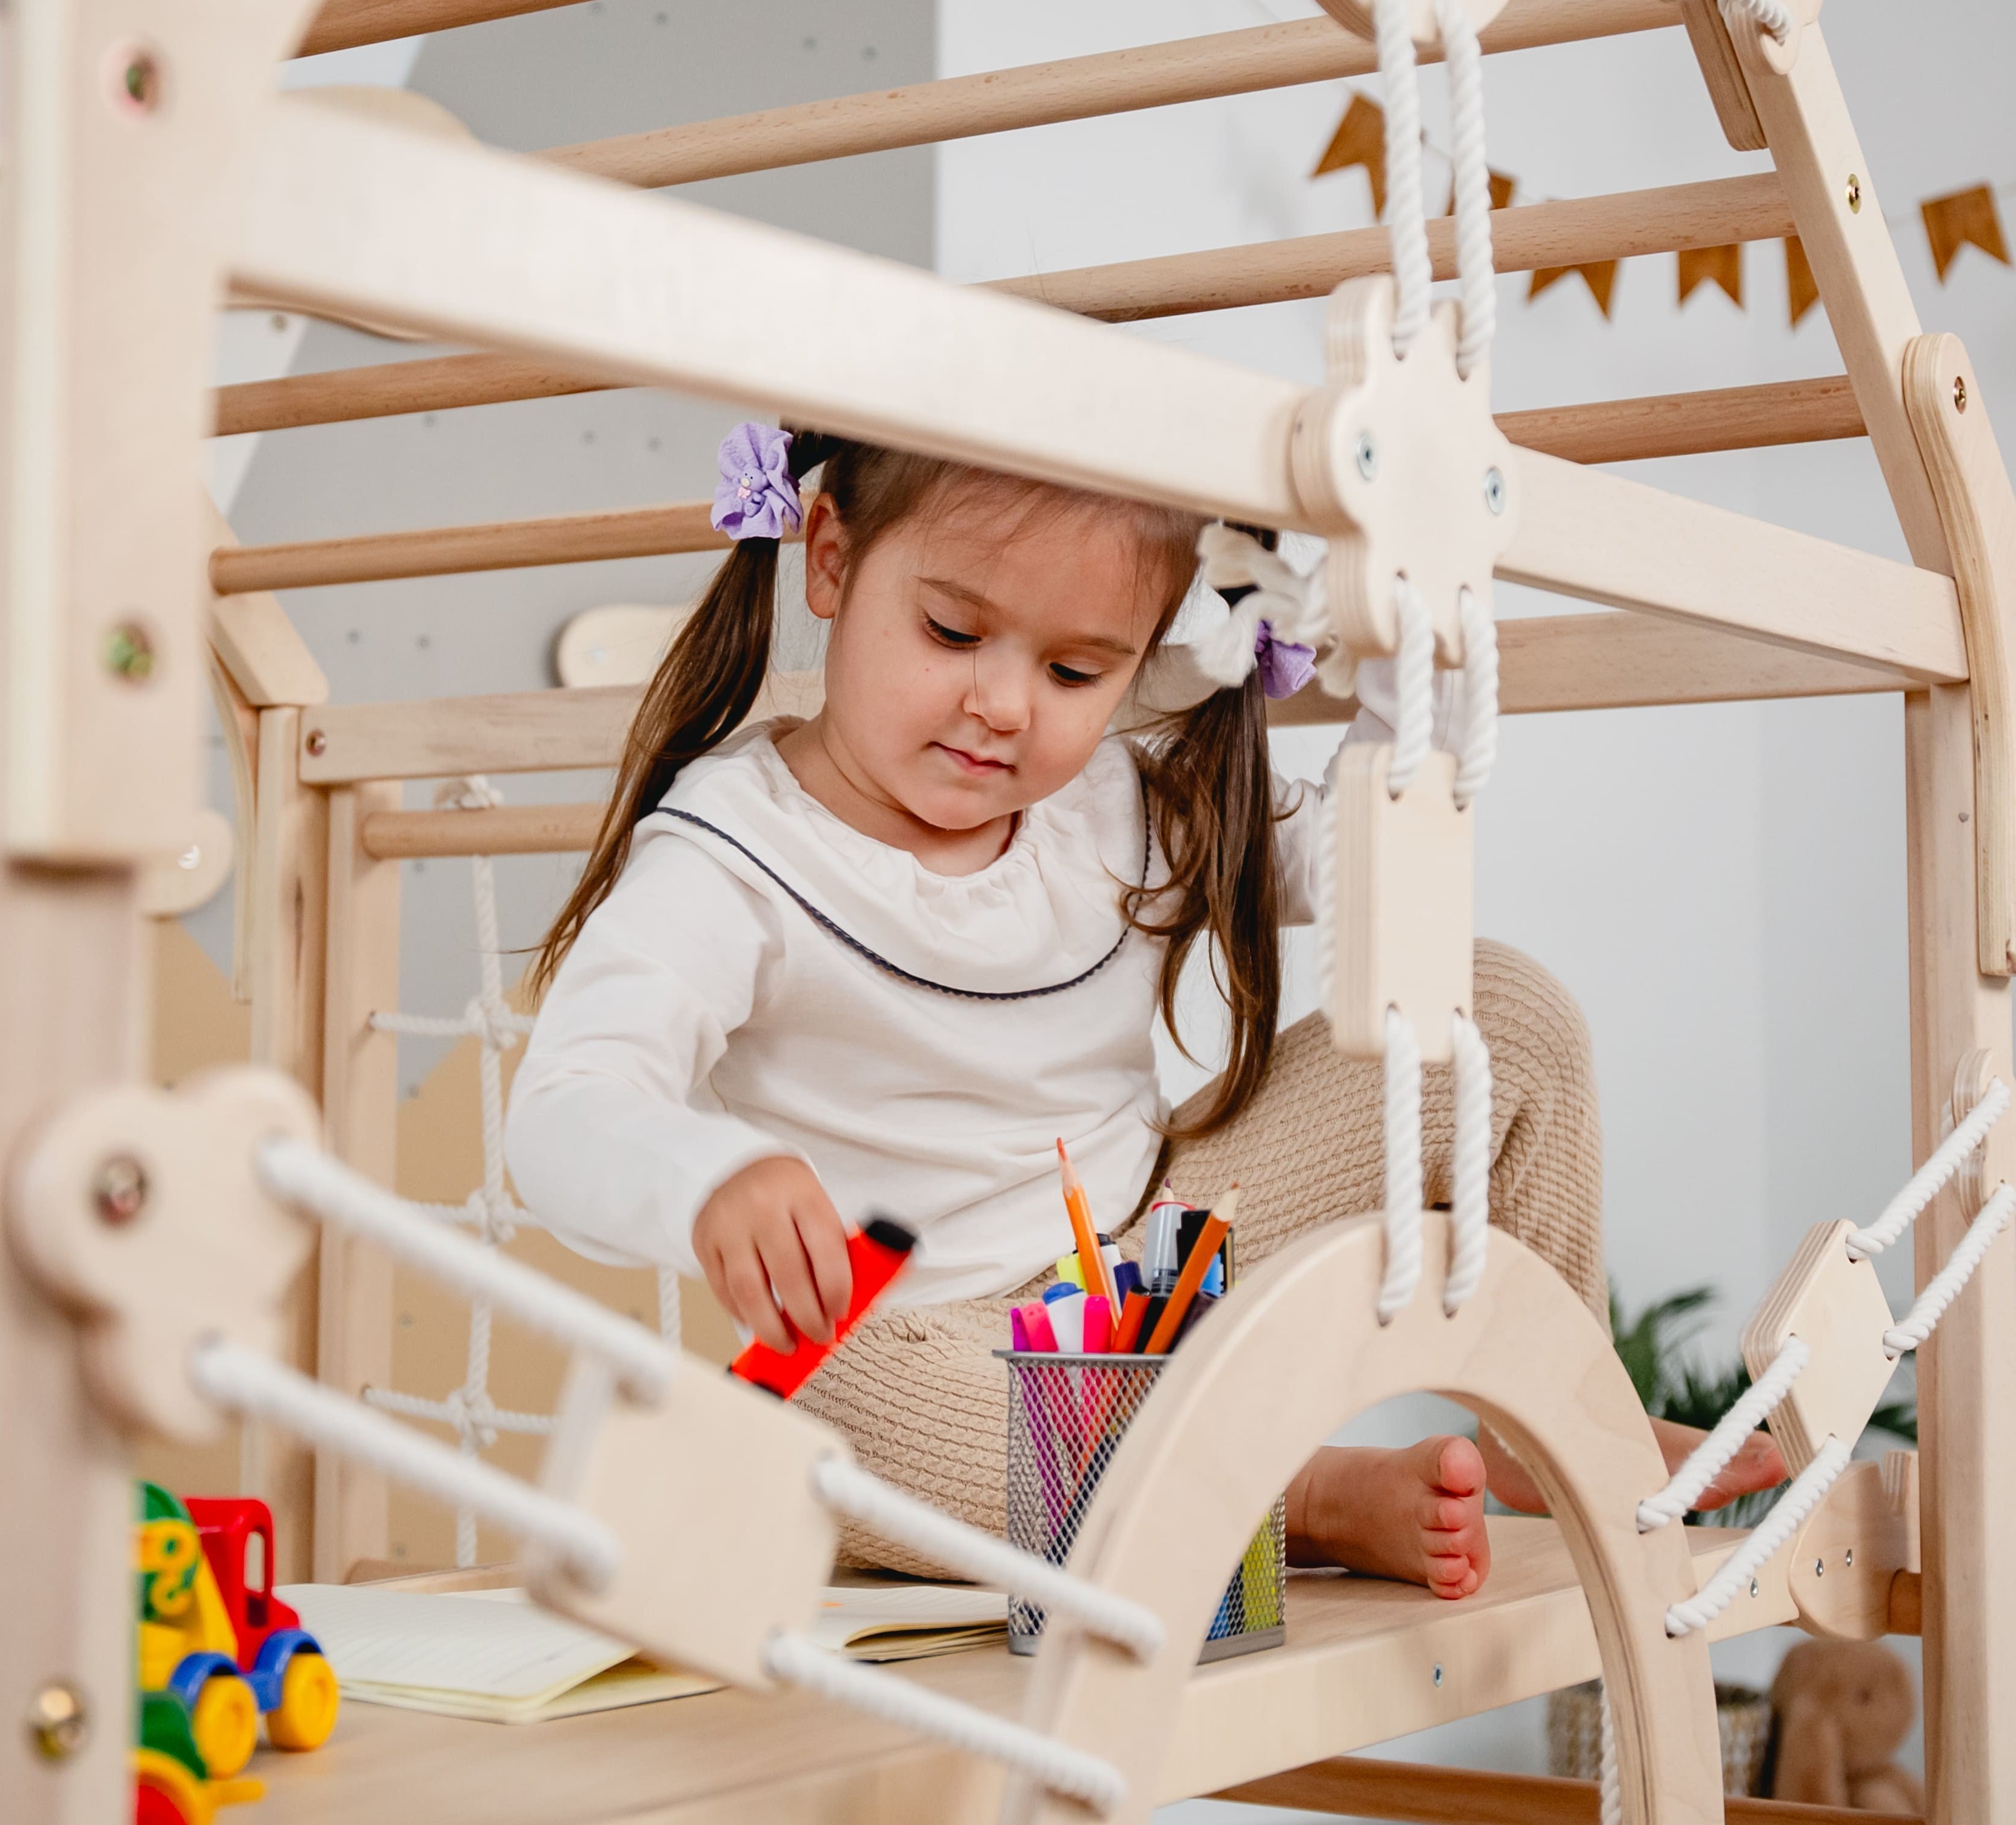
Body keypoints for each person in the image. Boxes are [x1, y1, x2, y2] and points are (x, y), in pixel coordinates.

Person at [508, 426, 1781, 1595]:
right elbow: (565, 1107)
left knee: (1500, 1010)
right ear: (829, 558)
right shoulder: (731, 852)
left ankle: (1551, 1404)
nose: (1004, 705)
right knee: (816, 1400)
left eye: (1073, 667)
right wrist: (708, 1175)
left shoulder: (1107, 802)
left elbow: (1357, 875)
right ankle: (1303, 1498)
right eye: (952, 632)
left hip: (1159, 1260)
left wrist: (1400, 676)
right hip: (928, 1345)